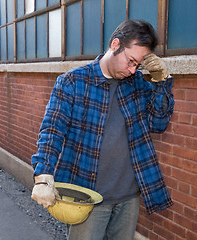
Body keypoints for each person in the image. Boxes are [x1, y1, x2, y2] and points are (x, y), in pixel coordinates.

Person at [31, 19, 174, 240]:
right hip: (87, 196)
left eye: (138, 65)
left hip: (128, 197)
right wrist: (42, 174)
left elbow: (158, 124)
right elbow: (52, 131)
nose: (133, 70)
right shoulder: (73, 82)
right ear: (115, 44)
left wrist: (161, 82)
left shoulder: (137, 84)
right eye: (131, 61)